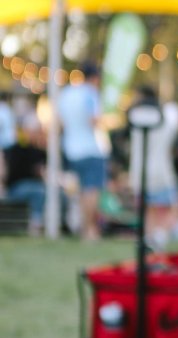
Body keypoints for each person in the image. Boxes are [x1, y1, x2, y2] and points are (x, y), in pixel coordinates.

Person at [58, 62, 108, 241]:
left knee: (80, 191)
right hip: (90, 148)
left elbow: (60, 123)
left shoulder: (66, 94)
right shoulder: (90, 94)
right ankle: (89, 230)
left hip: (71, 149)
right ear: (95, 77)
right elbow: (93, 120)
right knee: (91, 190)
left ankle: (82, 228)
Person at [128, 86, 178, 247]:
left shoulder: (134, 117)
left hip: (139, 171)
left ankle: (150, 237)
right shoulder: (167, 117)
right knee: (171, 207)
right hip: (161, 172)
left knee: (148, 209)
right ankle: (158, 236)